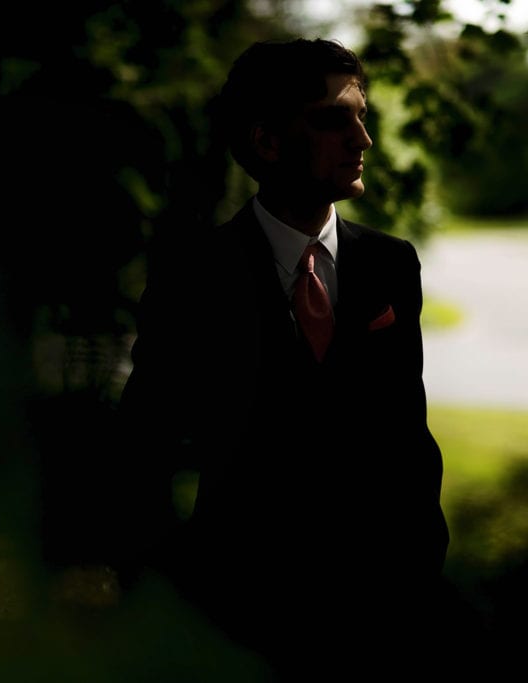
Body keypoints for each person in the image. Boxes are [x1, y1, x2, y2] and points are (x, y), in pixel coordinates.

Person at [118, 38, 451, 680]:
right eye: (333, 120)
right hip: (238, 618)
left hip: (378, 618)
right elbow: (145, 447)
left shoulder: (390, 264)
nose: (363, 140)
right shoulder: (192, 278)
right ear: (267, 142)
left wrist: (416, 578)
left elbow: (408, 437)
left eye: (362, 117)